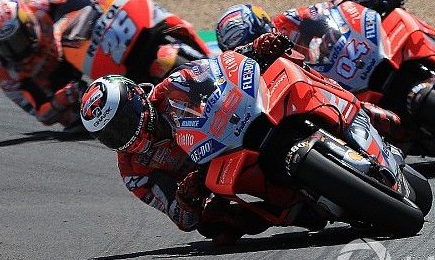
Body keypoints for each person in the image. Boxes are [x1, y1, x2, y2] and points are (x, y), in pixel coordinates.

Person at [80, 32, 403, 245]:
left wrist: (254, 50)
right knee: (215, 228)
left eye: (121, 123)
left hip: (235, 130)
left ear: (137, 99)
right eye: (110, 134)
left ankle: (356, 109)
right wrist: (185, 198)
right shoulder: (134, 172)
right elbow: (181, 219)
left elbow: (217, 70)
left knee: (287, 69)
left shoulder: (172, 86)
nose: (121, 135)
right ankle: (296, 207)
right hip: (216, 178)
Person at [0, 0, 150, 129]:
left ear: (28, 24)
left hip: (77, 47)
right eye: (5, 46)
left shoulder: (40, 6)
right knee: (75, 118)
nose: (14, 51)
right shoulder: (7, 77)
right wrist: (61, 99)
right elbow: (42, 115)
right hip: (63, 87)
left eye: (17, 40)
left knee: (93, 14)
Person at [214, 0, 408, 59]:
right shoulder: (248, 79)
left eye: (257, 40)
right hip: (325, 98)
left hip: (346, 59)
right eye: (246, 49)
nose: (259, 47)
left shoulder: (285, 22)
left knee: (394, 18)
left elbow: (330, 7)